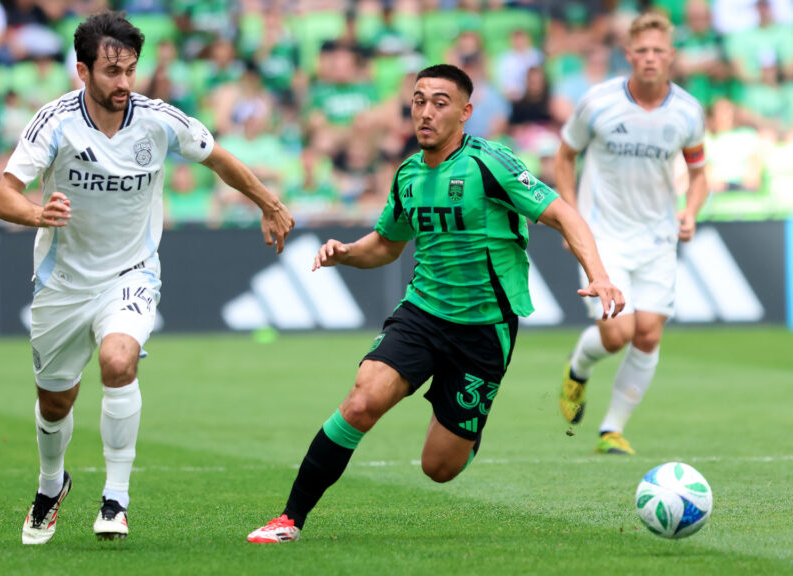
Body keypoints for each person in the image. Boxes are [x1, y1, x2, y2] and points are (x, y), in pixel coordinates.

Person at [247, 63, 625, 544]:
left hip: (484, 329)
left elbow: (561, 213)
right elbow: (386, 245)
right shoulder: (406, 174)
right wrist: (346, 253)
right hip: (422, 315)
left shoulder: (491, 163)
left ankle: (468, 426)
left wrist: (600, 276)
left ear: (466, 112)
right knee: (362, 400)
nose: (426, 112)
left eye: (440, 103)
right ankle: (289, 519)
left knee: (439, 468)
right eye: (419, 100)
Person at [0, 11, 294, 545]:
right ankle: (50, 485)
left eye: (130, 69)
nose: (124, 83)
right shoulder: (54, 122)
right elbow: (2, 196)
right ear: (83, 71)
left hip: (130, 273)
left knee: (118, 359)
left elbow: (219, 159)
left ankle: (116, 499)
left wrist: (269, 203)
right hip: (63, 281)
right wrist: (36, 214)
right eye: (112, 71)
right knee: (55, 402)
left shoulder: (159, 120)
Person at [555, 12, 709, 455]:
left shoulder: (687, 112)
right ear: (629, 54)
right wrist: (571, 217)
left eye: (658, 51)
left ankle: (611, 431)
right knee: (617, 334)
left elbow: (699, 174)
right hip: (604, 238)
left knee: (648, 335)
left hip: (658, 238)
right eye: (642, 51)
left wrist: (691, 211)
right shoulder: (598, 102)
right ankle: (579, 368)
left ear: (671, 57)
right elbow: (565, 157)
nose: (650, 58)